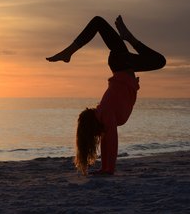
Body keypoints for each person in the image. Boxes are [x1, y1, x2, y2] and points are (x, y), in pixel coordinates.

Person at [46, 15, 166, 175]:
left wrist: (109, 170)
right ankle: (127, 37)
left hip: (121, 64)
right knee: (158, 61)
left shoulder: (106, 113)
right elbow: (108, 140)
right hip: (122, 65)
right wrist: (105, 169)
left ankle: (69, 52)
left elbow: (112, 142)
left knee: (98, 22)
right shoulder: (105, 117)